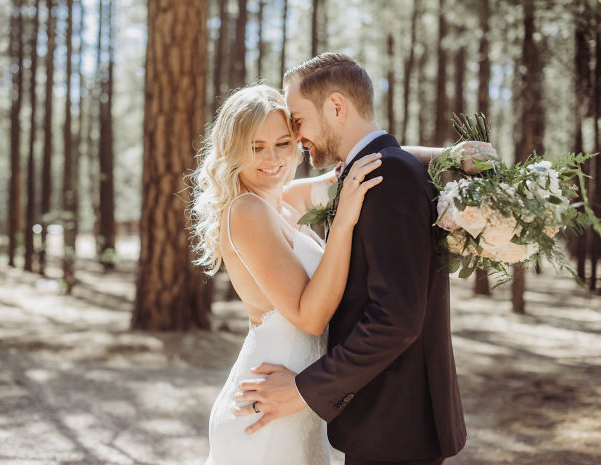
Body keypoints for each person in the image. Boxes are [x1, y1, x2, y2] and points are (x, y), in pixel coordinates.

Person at [193, 72, 496, 464]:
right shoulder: (246, 210)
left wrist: (450, 157)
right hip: (269, 400)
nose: (273, 159)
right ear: (233, 151)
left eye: (284, 143)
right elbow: (310, 317)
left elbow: (369, 164)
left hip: (304, 399)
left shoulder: (284, 200)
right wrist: (342, 224)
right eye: (257, 147)